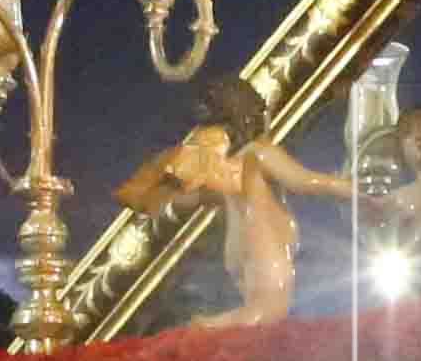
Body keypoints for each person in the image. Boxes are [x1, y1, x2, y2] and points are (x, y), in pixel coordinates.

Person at [117, 77, 355, 328]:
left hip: (238, 244)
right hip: (262, 239)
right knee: (266, 313)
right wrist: (361, 193)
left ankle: (203, 328)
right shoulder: (257, 153)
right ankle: (202, 328)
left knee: (257, 318)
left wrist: (163, 178)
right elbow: (309, 182)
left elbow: (179, 201)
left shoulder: (219, 167)